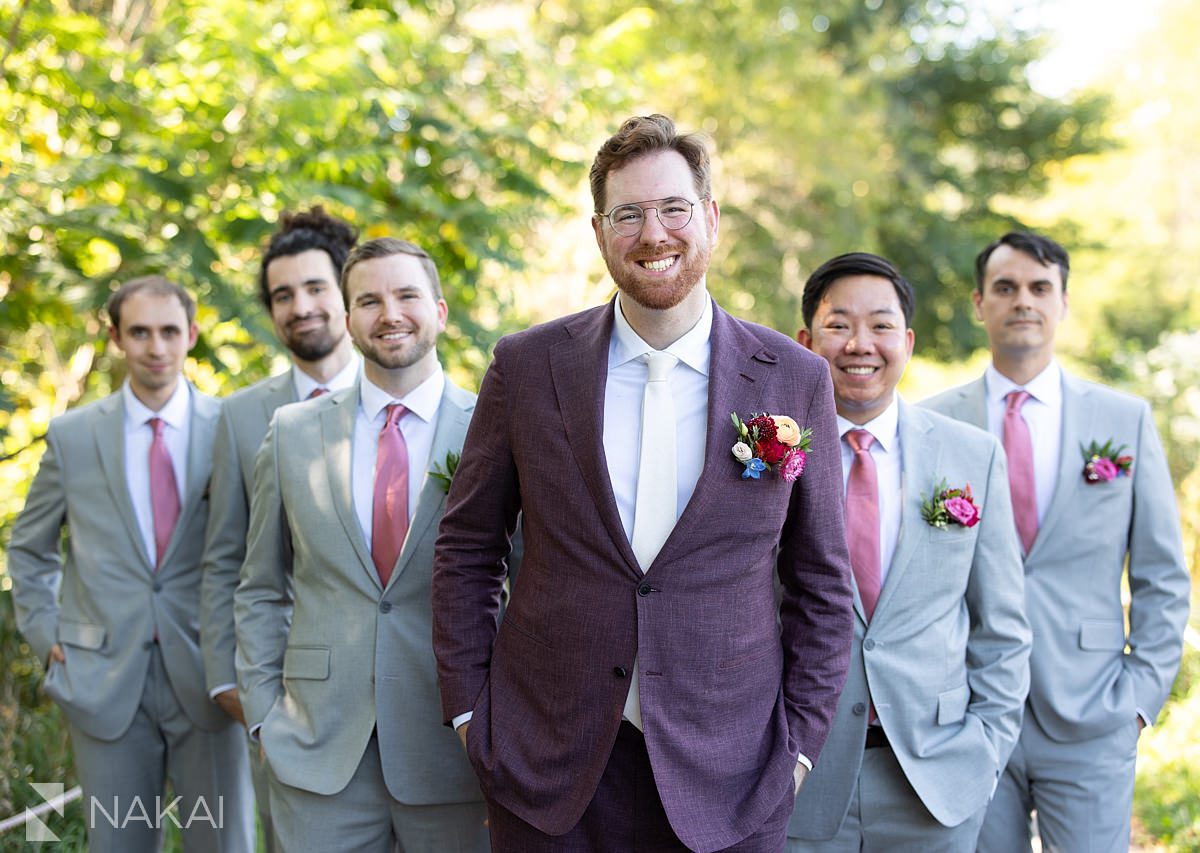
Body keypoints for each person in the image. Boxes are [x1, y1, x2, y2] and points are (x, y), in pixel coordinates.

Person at [431, 113, 855, 853]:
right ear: (600, 232)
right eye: (627, 214)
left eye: (673, 209)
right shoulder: (527, 367)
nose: (653, 234)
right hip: (547, 770)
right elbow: (468, 547)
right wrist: (472, 717)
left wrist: (797, 752)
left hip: (733, 777)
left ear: (711, 219)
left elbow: (822, 582)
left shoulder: (794, 378)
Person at [923, 231, 1191, 852]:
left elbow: (1162, 575)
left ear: (1063, 302)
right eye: (1006, 287)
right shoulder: (933, 422)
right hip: (969, 711)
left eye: (1040, 287)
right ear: (979, 303)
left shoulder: (1124, 421)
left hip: (1093, 711)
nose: (1024, 300)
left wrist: (1139, 699)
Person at [234, 237, 489, 851]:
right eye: (369, 301)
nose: (389, 314)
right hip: (317, 756)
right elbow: (260, 587)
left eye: (406, 296)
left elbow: (531, 584)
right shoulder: (292, 433)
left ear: (440, 311)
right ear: (348, 321)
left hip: (454, 751)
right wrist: (264, 716)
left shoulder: (492, 430)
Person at [786, 252, 1031, 852]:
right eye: (839, 325)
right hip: (797, 780)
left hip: (935, 783)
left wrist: (985, 752)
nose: (860, 344)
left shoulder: (971, 455)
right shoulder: (767, 458)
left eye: (881, 325)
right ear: (806, 342)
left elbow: (1002, 627)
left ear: (908, 341)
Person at [8, 276, 254, 852]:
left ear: (191, 334)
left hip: (212, 675)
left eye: (169, 331)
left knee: (224, 843)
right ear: (116, 337)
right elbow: (29, 548)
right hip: (101, 675)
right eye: (140, 332)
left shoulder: (232, 427)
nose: (156, 347)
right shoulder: (72, 436)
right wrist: (46, 635)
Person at [199, 205, 359, 845]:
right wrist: (235, 688)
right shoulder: (240, 417)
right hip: (289, 695)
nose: (301, 307)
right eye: (282, 295)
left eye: (315, 287)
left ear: (346, 291)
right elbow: (224, 558)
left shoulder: (412, 400)